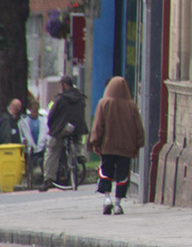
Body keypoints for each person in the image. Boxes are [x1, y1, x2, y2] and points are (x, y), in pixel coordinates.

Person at [88, 77, 144, 215]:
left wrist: (95, 141)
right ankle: (118, 203)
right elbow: (138, 128)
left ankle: (107, 199)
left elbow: (98, 124)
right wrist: (138, 144)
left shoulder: (104, 103)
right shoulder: (132, 106)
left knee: (106, 171)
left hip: (108, 147)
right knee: (122, 175)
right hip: (126, 148)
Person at [40, 75, 89, 191]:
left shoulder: (61, 98)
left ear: (64, 85)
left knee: (52, 150)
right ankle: (79, 155)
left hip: (62, 128)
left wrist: (51, 127)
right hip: (78, 127)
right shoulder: (80, 97)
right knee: (77, 139)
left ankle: (49, 179)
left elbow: (52, 115)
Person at [18, 97, 46, 187]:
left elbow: (46, 133)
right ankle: (31, 180)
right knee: (31, 164)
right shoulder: (24, 121)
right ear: (29, 109)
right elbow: (21, 134)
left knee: (42, 163)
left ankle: (41, 178)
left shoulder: (43, 120)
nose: (35, 113)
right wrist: (23, 141)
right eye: (33, 110)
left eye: (36, 110)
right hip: (30, 147)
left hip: (41, 146)